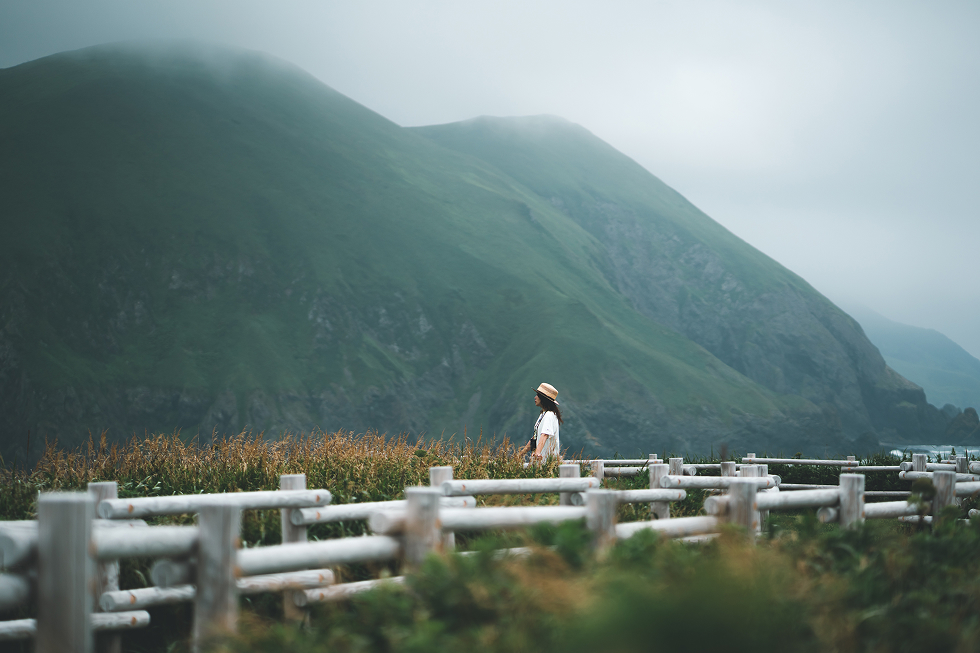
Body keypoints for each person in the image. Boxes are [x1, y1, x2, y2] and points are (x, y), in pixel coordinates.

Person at [531, 382, 562, 460]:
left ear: (543, 399)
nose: (535, 397)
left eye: (538, 395)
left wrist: (537, 453)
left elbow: (545, 434)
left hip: (546, 462)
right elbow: (535, 436)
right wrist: (520, 454)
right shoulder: (543, 415)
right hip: (542, 461)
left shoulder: (549, 415)